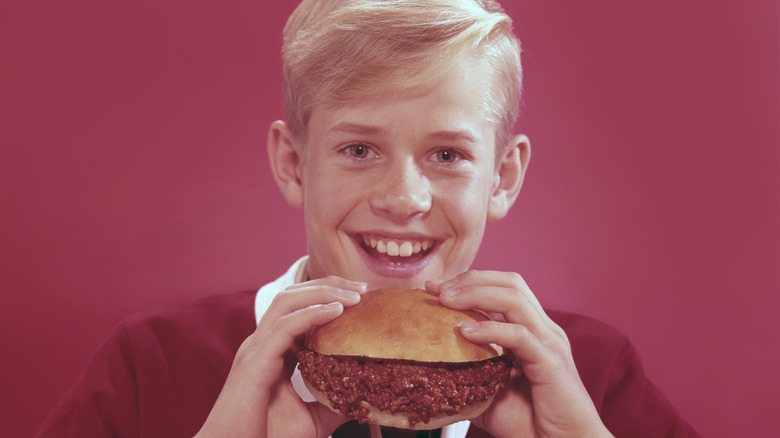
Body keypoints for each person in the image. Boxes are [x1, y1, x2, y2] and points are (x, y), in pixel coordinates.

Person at [36, 0, 700, 437]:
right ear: (295, 165)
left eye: (447, 154)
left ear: (502, 177)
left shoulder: (593, 375)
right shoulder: (151, 367)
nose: (404, 198)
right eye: (359, 150)